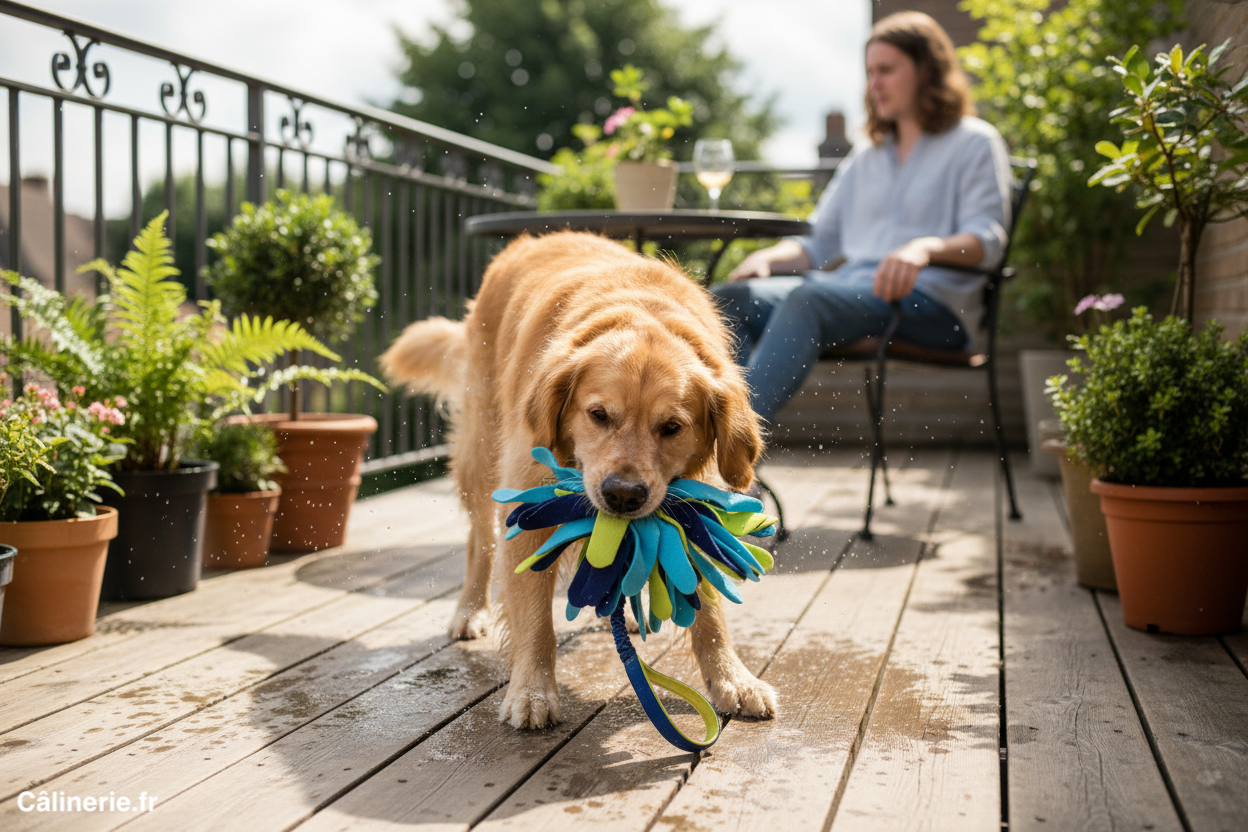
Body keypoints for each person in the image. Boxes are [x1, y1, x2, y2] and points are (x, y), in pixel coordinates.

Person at [714, 11, 1013, 424]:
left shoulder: (975, 142)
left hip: (935, 309)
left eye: (886, 70)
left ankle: (729, 453)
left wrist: (924, 248)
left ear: (927, 70)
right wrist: (769, 258)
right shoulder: (866, 157)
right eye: (870, 72)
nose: (874, 85)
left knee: (807, 301)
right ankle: (721, 446)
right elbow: (819, 242)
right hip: (852, 294)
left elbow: (989, 240)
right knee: (728, 300)